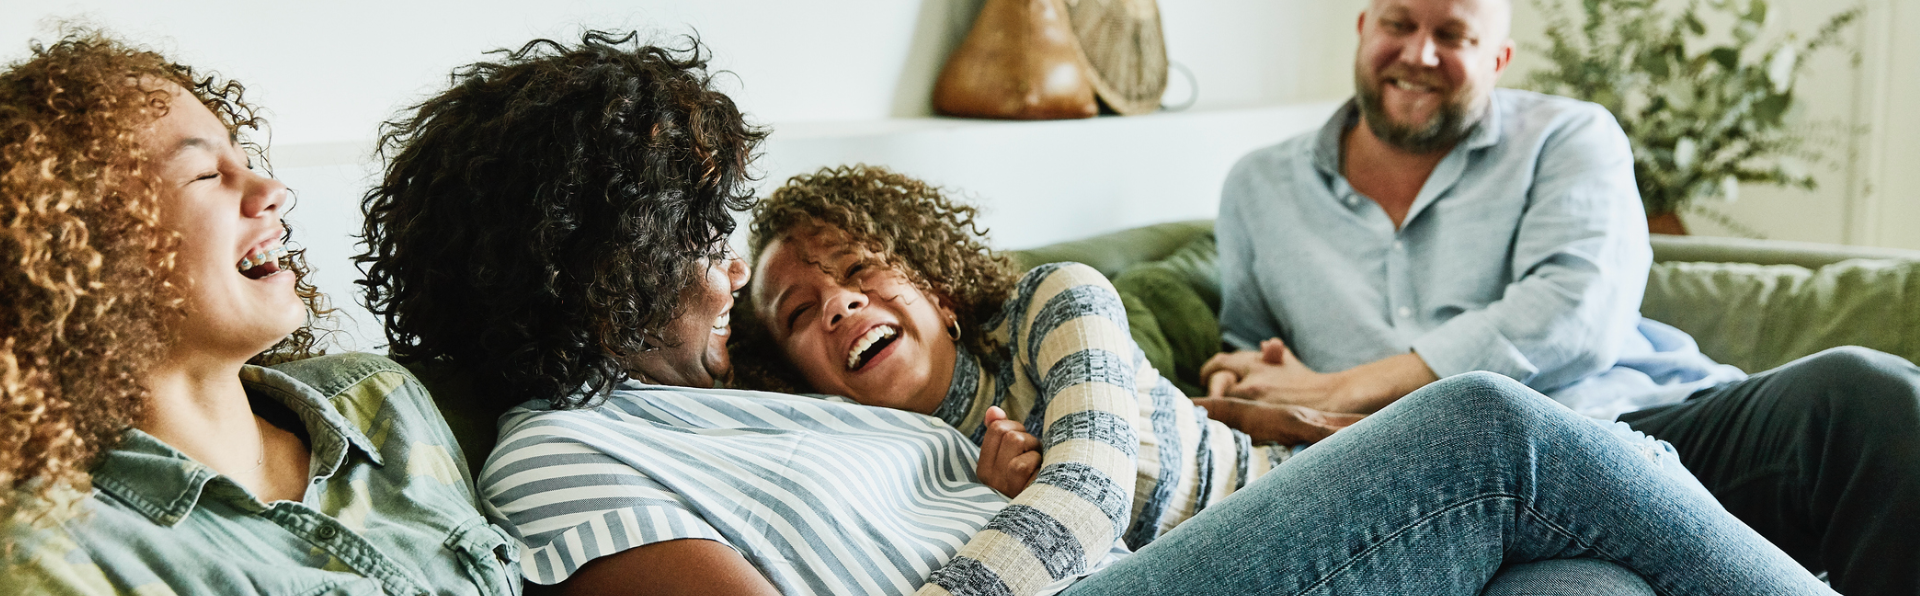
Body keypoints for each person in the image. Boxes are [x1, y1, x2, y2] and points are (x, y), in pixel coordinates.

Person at [355, 31, 1834, 596]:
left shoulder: (740, 387)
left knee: (1581, 592)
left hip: (1141, 545)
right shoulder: (562, 460)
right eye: (702, 237)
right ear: (606, 263)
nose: (731, 271)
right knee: (1492, 437)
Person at [1199, 0, 1920, 594]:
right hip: (1454, 498)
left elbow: (1575, 311)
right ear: (1362, 29)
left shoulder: (1569, 135)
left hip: (1646, 426)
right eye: (1399, 24)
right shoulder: (1259, 187)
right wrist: (1240, 375)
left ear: (1498, 60)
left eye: (1452, 35)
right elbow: (1252, 351)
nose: (1419, 53)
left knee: (1870, 392)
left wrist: (1342, 388)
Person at [0, 31, 517, 595]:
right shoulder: (56, 557)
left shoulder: (379, 397)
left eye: (244, 161)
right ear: (71, 251)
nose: (273, 189)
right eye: (204, 175)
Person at [737, 164, 1362, 553]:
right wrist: (994, 501)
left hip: (1303, 499)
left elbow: (1093, 488)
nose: (840, 305)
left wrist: (1040, 495)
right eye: (798, 312)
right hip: (1230, 569)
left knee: (1463, 405)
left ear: (936, 288)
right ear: (797, 379)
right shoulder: (869, 472)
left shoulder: (1054, 300)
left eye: (858, 269)